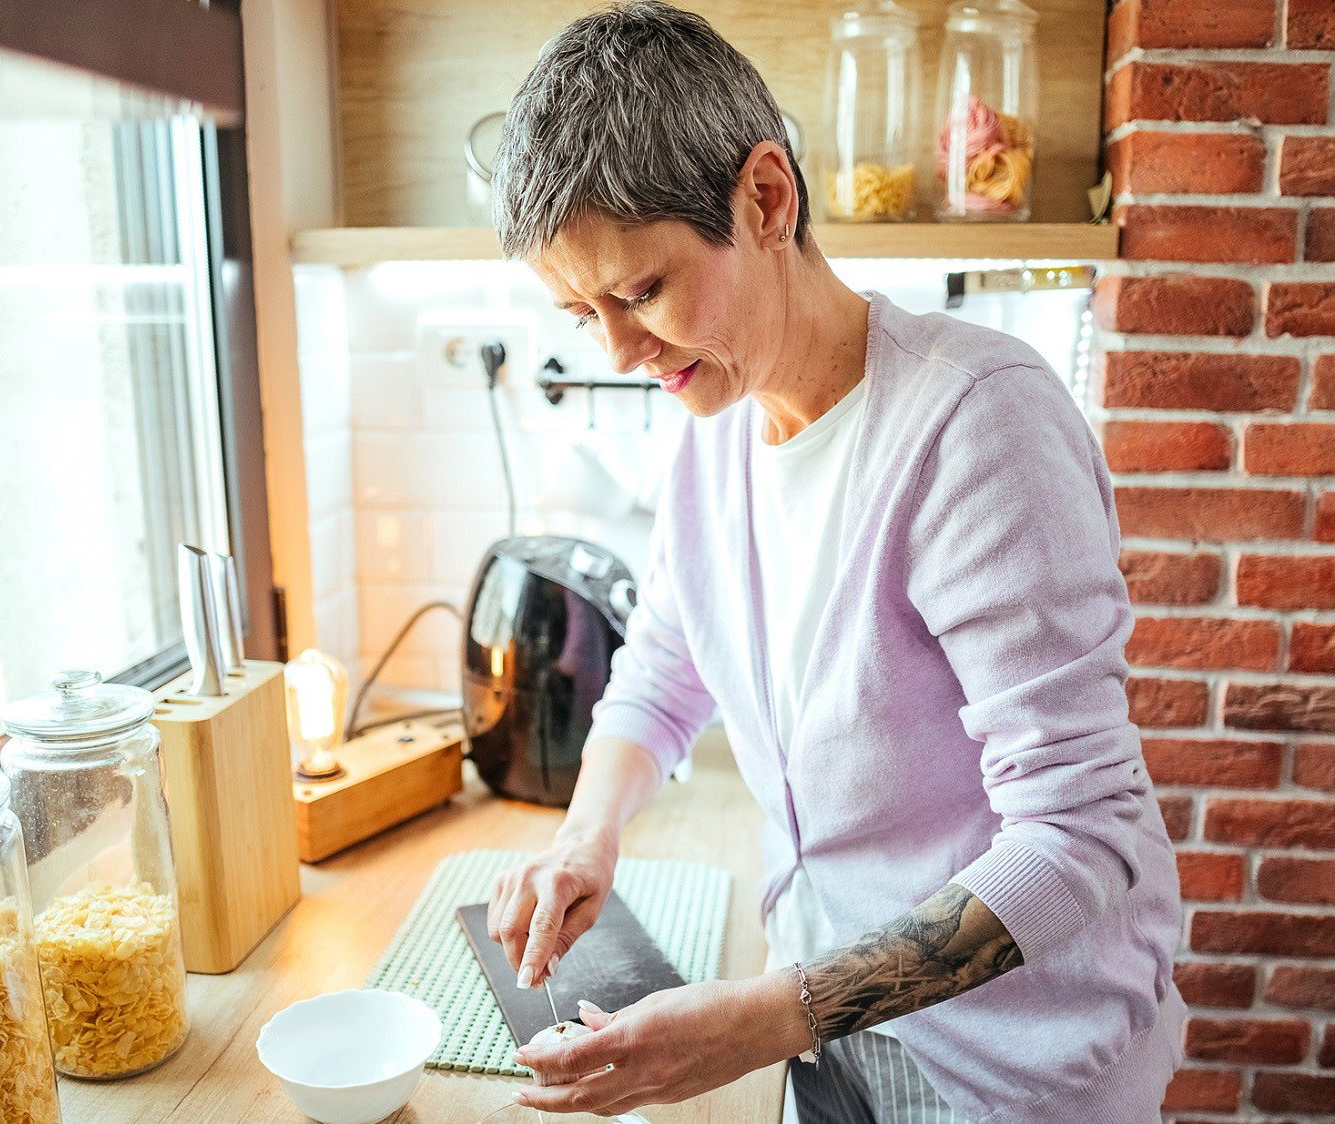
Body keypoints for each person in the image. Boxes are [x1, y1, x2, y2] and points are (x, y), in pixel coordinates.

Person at [483, 4, 1184, 1121]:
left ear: (766, 199)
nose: (618, 348)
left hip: (1010, 1063)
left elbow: (1076, 838)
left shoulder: (976, 426)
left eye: (641, 292)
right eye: (581, 312)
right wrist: (584, 838)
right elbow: (665, 666)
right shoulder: (715, 424)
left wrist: (770, 1015)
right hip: (829, 1016)